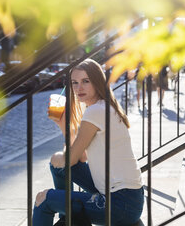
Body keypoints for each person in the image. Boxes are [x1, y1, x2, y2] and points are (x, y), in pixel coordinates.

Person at [33, 59, 144, 225]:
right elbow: (81, 157)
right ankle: (67, 217)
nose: (79, 88)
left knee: (43, 199)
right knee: (57, 164)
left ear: (97, 81)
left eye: (86, 81)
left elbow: (71, 159)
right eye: (74, 83)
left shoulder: (96, 111)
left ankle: (65, 213)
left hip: (121, 203)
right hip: (127, 197)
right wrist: (62, 125)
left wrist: (62, 129)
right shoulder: (101, 107)